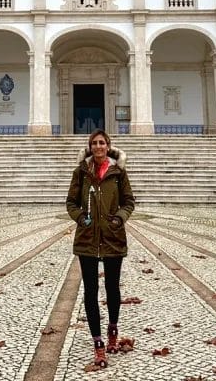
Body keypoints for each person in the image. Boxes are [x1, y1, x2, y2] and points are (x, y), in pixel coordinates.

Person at [65, 129, 136, 369]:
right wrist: (79, 217)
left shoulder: (118, 173)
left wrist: (119, 219)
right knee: (90, 292)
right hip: (87, 239)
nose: (98, 147)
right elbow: (71, 202)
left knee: (112, 288)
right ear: (89, 147)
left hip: (113, 237)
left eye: (102, 143)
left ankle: (113, 330)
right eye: (94, 143)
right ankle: (98, 344)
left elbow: (129, 202)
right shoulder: (82, 173)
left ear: (108, 146)